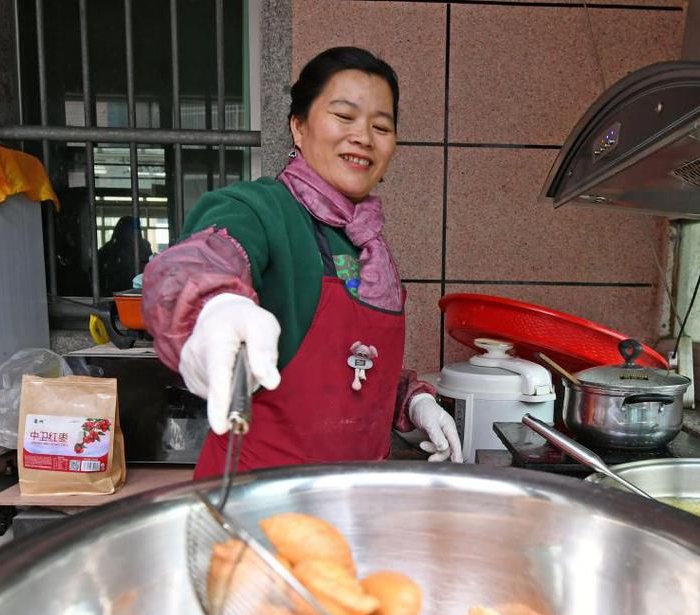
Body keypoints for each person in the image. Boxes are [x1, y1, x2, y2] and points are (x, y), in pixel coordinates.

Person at [142, 46, 463, 478]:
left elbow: (355, 370)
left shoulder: (367, 246)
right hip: (257, 502)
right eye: (344, 117)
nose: (363, 137)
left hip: (355, 501)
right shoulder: (260, 209)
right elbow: (198, 264)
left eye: (381, 125)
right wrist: (215, 309)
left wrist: (413, 401)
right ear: (298, 126)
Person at [97, 215, 153, 296]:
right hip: (115, 292)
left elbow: (150, 266)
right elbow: (99, 272)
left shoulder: (144, 245)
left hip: (139, 292)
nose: (130, 232)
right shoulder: (109, 248)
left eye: (134, 229)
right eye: (127, 228)